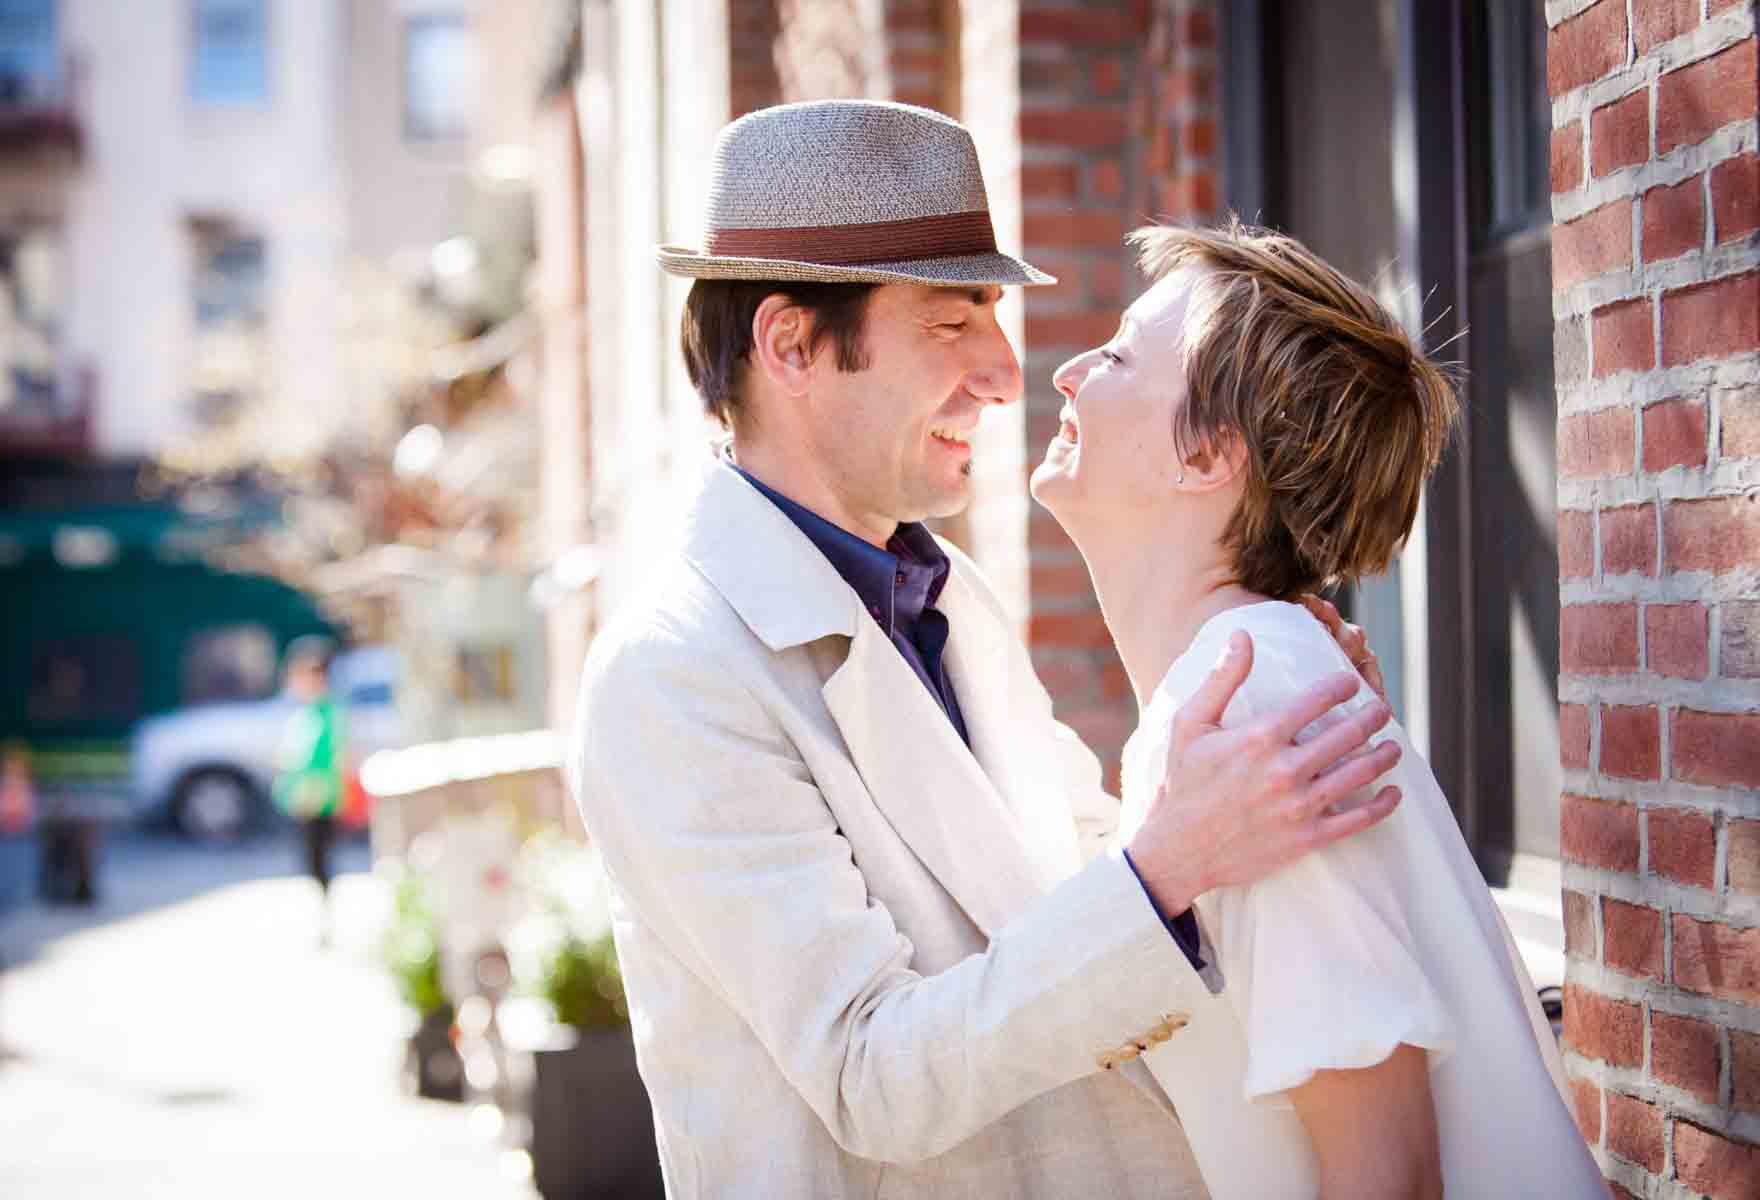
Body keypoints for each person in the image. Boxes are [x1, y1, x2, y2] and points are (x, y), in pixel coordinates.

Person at [571, 99, 1402, 1198]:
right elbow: (872, 1074)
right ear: (790, 345)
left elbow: (1073, 866)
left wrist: (1274, 770)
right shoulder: (671, 676)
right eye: (952, 323)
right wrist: (1174, 861)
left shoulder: (948, 595)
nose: (1008, 373)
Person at [1031, 218, 1608, 1199]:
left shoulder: (1253, 708)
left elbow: (1388, 1177)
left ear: (1208, 456)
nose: (1070, 373)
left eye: (1121, 354)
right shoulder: (1245, 686)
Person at [274, 636, 343, 943]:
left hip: (318, 801)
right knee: (309, 861)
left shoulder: (326, 714)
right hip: (303, 800)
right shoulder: (306, 713)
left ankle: (325, 921)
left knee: (319, 861)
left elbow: (326, 760)